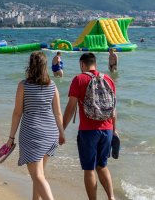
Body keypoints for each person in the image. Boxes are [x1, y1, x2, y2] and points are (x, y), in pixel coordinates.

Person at [6, 51, 65, 199]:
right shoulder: (52, 85)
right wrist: (61, 133)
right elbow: (58, 113)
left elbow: (17, 113)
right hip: (51, 133)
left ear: (30, 65)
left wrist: (11, 137)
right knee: (39, 174)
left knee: (37, 175)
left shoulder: (23, 85)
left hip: (32, 133)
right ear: (45, 66)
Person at [62, 53, 117, 200]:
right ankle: (111, 197)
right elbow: (113, 110)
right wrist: (115, 131)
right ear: (95, 64)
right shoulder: (108, 79)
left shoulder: (79, 79)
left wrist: (61, 129)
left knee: (89, 169)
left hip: (88, 132)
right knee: (102, 166)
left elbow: (70, 107)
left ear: (82, 64)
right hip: (107, 129)